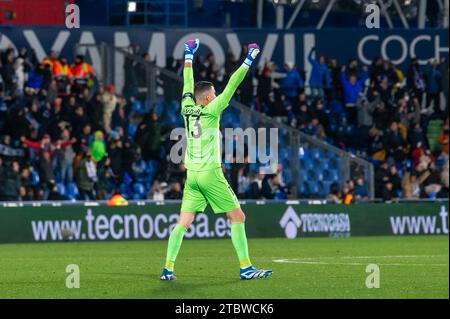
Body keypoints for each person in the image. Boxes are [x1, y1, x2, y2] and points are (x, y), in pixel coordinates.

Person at [160, 39, 272, 281]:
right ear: (209, 98)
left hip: (192, 176)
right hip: (210, 173)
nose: (216, 95)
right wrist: (250, 57)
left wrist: (188, 54)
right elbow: (233, 83)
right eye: (213, 93)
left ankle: (168, 269)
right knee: (238, 217)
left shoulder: (186, 106)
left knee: (183, 223)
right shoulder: (212, 110)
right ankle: (246, 268)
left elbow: (187, 82)